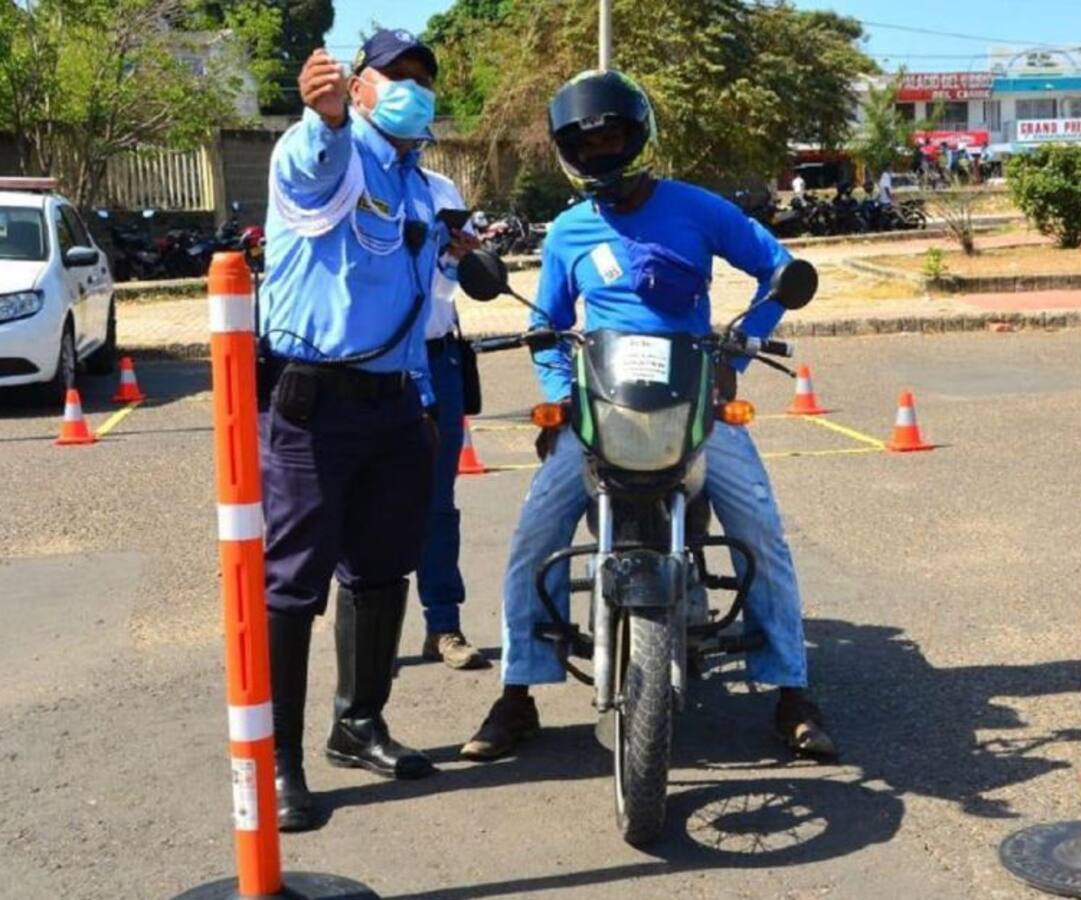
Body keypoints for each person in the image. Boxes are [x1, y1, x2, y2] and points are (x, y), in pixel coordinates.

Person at [461, 70, 836, 763]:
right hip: (601, 405)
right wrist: (557, 392)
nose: (602, 149)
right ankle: (519, 692)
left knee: (762, 529)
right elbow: (548, 323)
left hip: (695, 400)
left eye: (613, 136)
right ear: (571, 153)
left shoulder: (699, 209)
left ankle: (790, 691)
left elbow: (778, 269)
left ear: (637, 138)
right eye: (587, 141)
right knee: (533, 538)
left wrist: (740, 348)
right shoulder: (570, 231)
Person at [260, 28, 470, 833]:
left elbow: (420, 303)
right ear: (360, 82)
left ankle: (359, 723)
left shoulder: (421, 187)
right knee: (294, 586)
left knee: (383, 571)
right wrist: (329, 119)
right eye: (396, 75)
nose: (412, 87)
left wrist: (420, 401)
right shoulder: (329, 154)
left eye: (423, 77)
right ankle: (278, 760)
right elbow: (313, 164)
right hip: (320, 403)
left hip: (396, 404)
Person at [416, 169, 488, 670]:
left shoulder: (441, 187)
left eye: (420, 85)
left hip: (439, 358)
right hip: (374, 364)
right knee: (361, 504)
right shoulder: (349, 175)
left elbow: (452, 282)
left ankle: (443, 625)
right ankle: (361, 643)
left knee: (438, 504)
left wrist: (463, 255)